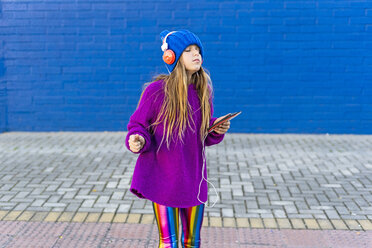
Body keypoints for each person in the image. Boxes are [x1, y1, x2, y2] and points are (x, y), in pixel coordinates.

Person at [125, 29, 230, 248]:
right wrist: (138, 139)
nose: (196, 54)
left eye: (198, 50)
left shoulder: (204, 91)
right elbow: (138, 126)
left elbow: (204, 137)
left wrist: (216, 129)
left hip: (193, 178)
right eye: (188, 50)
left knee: (192, 242)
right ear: (171, 57)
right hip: (163, 178)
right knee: (169, 243)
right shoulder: (156, 91)